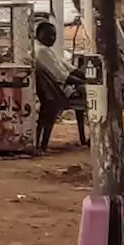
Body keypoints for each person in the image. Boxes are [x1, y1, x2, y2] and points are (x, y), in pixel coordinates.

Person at [34, 21, 85, 150]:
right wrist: (86, 82)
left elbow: (69, 67)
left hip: (60, 87)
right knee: (92, 94)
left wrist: (88, 75)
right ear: (39, 34)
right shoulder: (41, 51)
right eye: (50, 35)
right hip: (57, 90)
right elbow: (63, 76)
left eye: (54, 35)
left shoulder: (48, 50)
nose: (53, 38)